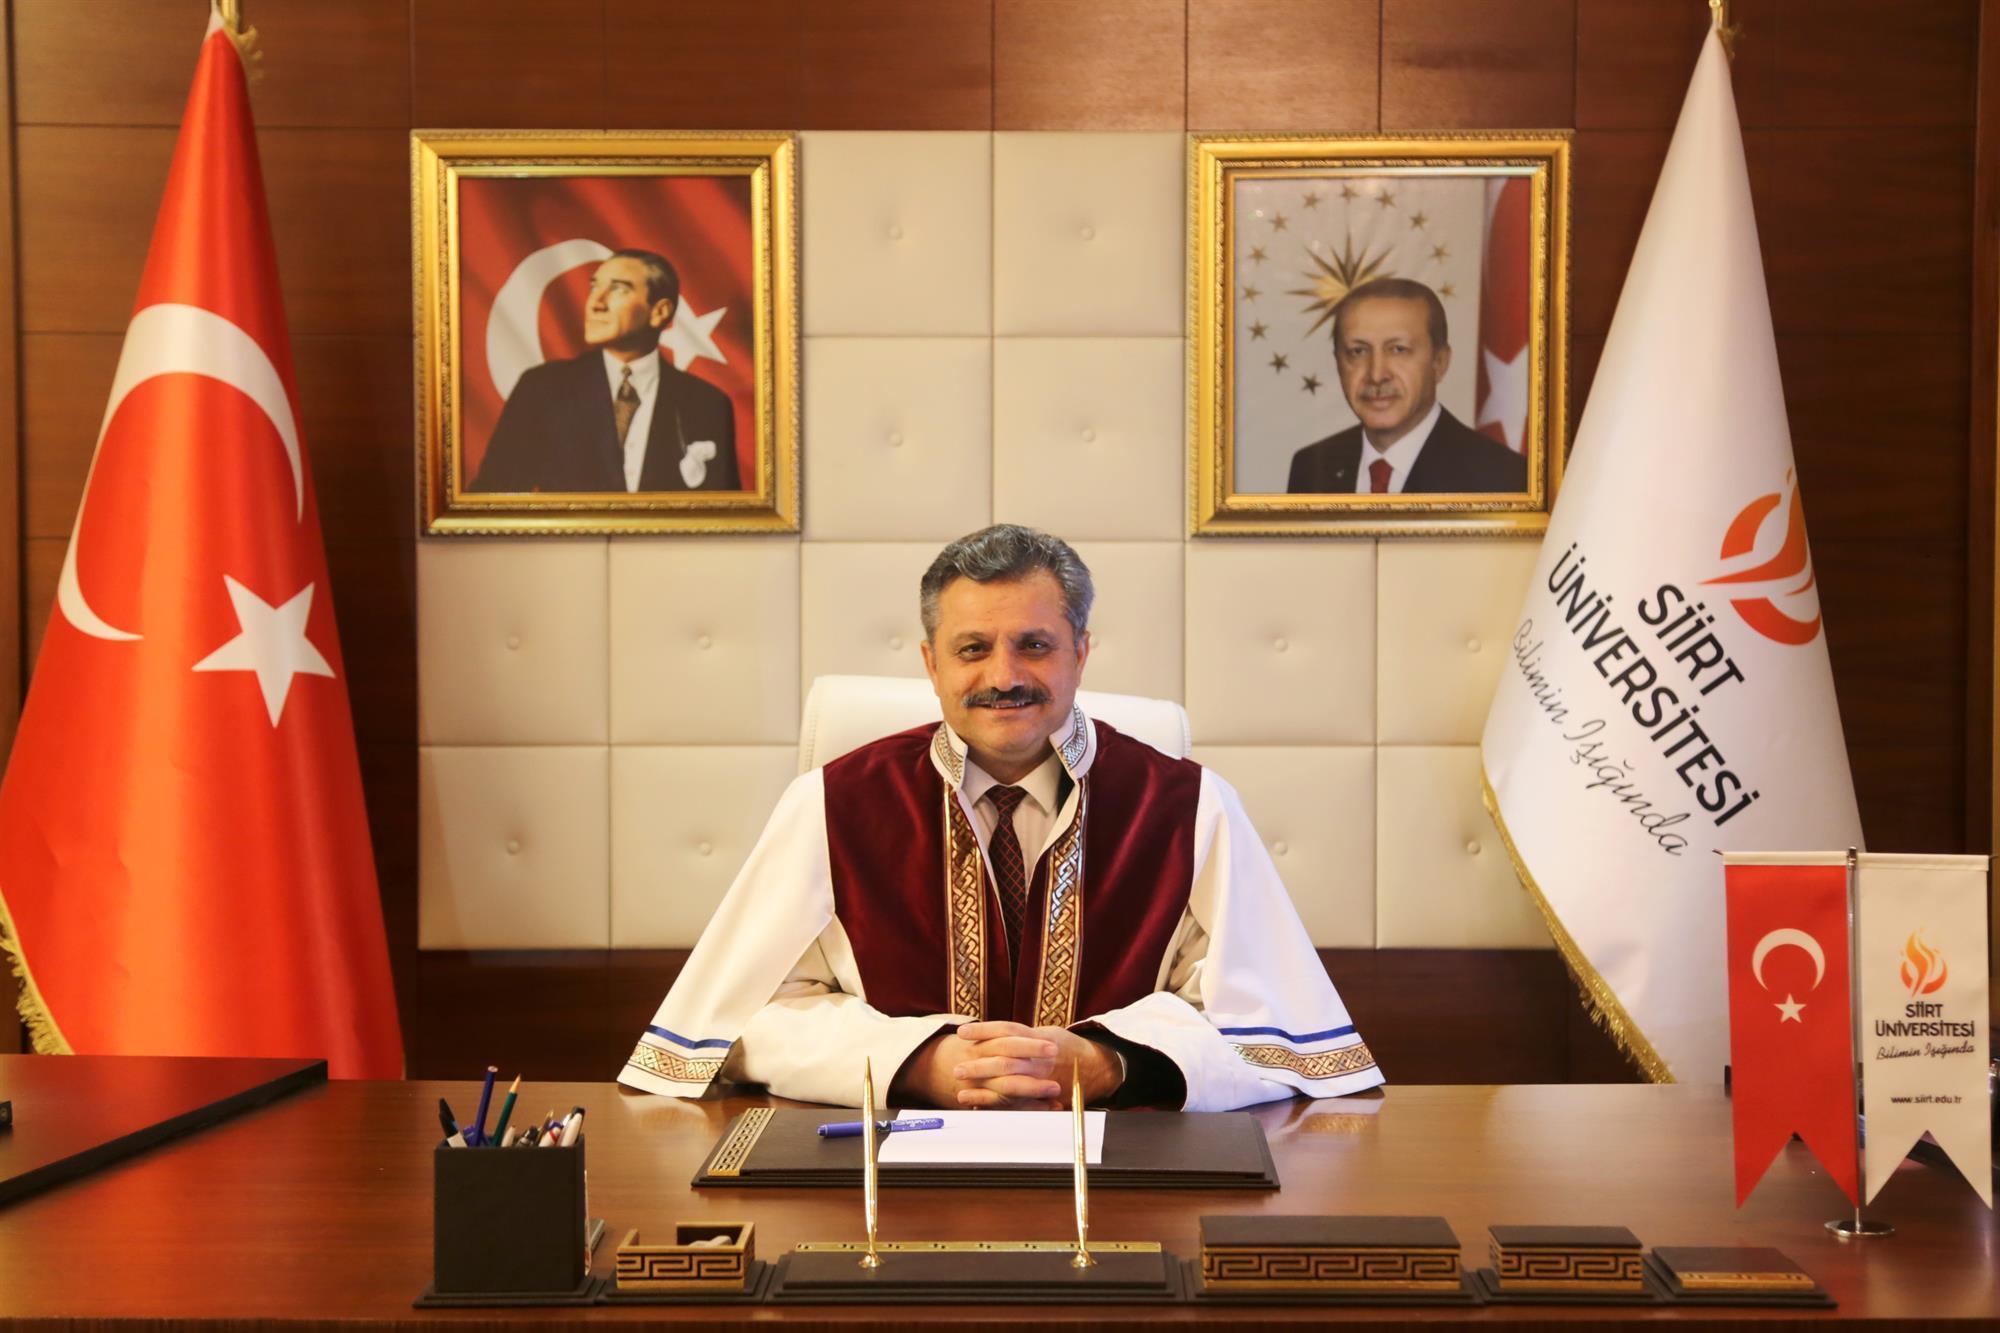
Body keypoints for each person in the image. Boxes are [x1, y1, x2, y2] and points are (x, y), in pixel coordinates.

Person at [617, 525, 1382, 1111]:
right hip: (880, 1176)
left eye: (1034, 645)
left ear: (1080, 652)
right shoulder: (831, 803)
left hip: (1127, 1179)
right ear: (931, 663)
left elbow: (1271, 1031)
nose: (1004, 675)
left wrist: (1108, 1062)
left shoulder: (1187, 806)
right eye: (973, 648)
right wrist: (919, 1061)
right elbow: (745, 1017)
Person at [468, 248, 740, 494]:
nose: (595, 303)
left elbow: (725, 515)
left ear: (659, 312)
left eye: (619, 289)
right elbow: (492, 500)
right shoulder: (541, 390)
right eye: (594, 287)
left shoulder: (708, 404)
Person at [1286, 276, 1527, 495]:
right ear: (1338, 363)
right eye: (1358, 351)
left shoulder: (1503, 478)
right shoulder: (1311, 467)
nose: (1376, 375)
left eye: (1398, 349)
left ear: (1439, 362)